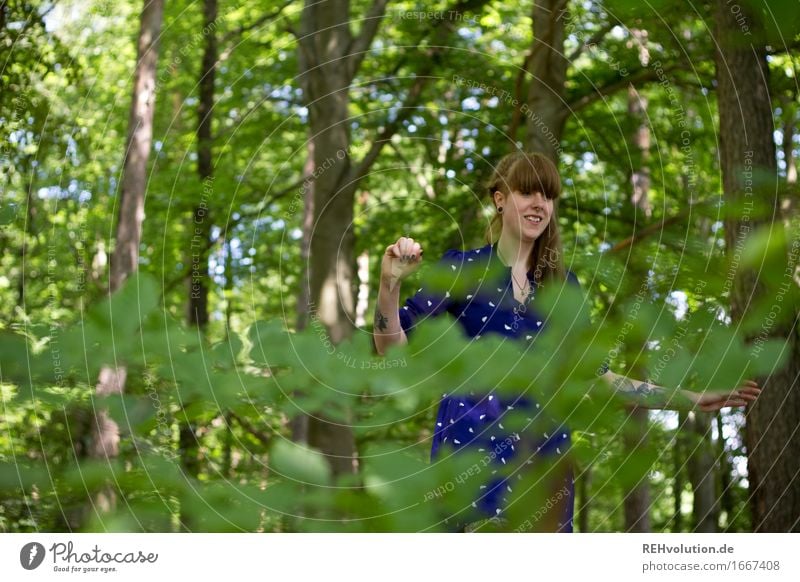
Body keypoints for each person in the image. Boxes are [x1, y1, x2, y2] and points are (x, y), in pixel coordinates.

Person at [372, 151, 761, 532]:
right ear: (500, 198)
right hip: (469, 467)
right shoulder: (462, 268)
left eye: (548, 195)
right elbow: (392, 349)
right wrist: (389, 284)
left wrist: (689, 399)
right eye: (528, 192)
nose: (540, 203)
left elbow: (599, 381)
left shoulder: (564, 289)